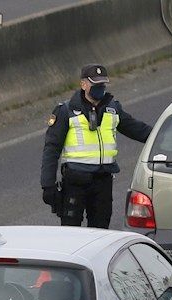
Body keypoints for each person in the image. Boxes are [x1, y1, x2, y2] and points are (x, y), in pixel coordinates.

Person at [40, 63, 152, 228]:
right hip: (75, 181)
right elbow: (51, 148)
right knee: (71, 234)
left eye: (103, 84)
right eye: (95, 84)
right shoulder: (66, 111)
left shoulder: (112, 108)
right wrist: (48, 185)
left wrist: (164, 136)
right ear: (83, 84)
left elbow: (138, 130)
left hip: (103, 181)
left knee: (101, 233)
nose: (100, 88)